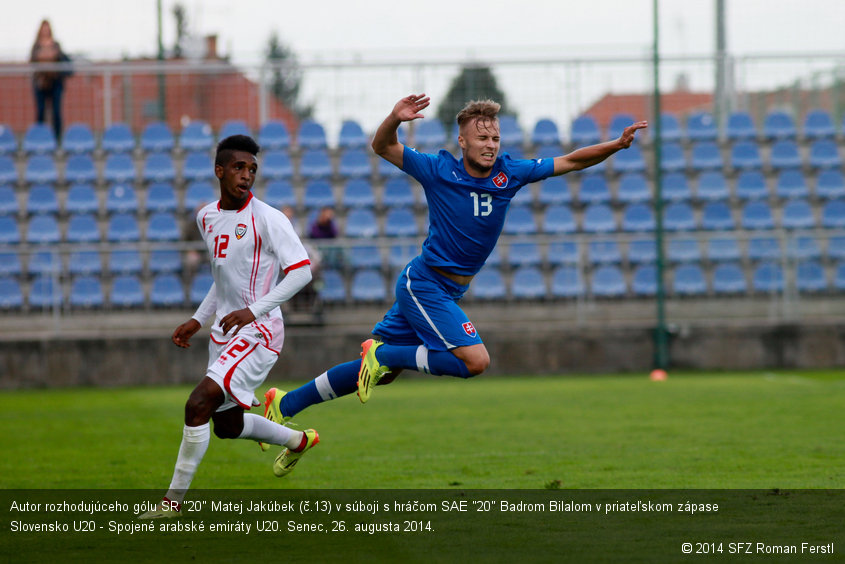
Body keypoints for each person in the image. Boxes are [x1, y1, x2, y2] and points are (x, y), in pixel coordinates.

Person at [261, 94, 646, 430]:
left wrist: (616, 144)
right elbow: (382, 147)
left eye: (495, 137)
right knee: (474, 361)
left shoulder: (510, 173)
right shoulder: (438, 169)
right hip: (424, 284)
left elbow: (572, 161)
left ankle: (285, 403)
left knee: (382, 374)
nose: (491, 145)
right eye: (482, 137)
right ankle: (382, 355)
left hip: (445, 289)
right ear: (462, 141)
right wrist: (395, 118)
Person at [139, 135, 319, 519]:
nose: (247, 175)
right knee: (226, 424)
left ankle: (171, 504)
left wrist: (254, 312)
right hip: (225, 332)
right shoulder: (206, 217)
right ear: (219, 171)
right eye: (239, 167)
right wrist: (197, 319)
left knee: (197, 402)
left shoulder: (269, 219)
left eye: (252, 169)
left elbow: (301, 272)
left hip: (261, 332)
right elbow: (223, 281)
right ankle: (299, 440)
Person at [30, 20, 70, 142]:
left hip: (55, 82)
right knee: (40, 112)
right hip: (41, 83)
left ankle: (57, 140)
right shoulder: (36, 45)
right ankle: (40, 139)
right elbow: (33, 60)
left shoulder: (56, 45)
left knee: (56, 113)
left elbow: (61, 59)